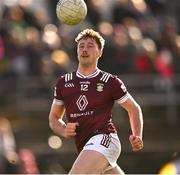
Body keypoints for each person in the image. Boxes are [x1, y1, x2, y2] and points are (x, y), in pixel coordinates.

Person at [49, 28, 143, 174]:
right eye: (81, 46)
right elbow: (54, 118)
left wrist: (137, 135)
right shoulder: (63, 82)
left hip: (105, 138)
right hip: (85, 145)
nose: (84, 49)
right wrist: (63, 129)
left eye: (90, 46)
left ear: (100, 52)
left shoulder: (110, 81)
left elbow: (134, 109)